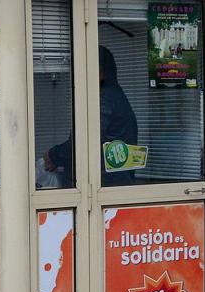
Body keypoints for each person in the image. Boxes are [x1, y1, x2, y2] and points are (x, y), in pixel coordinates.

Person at [45, 45, 138, 187]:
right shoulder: (115, 95)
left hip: (102, 185)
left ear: (100, 71)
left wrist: (53, 155)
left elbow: (85, 140)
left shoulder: (103, 99)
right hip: (115, 181)